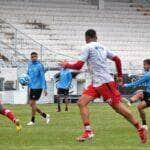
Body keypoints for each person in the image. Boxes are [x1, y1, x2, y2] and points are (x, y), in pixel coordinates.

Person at [59, 29, 148, 143]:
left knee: (118, 108)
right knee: (81, 102)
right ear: (96, 37)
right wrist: (119, 75)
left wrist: (66, 65)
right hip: (97, 83)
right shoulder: (103, 47)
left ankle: (139, 128)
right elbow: (117, 59)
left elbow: (79, 65)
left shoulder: (87, 47)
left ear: (86, 38)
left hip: (105, 83)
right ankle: (88, 131)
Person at [124, 59, 150, 130]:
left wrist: (125, 85)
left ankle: (128, 103)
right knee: (139, 92)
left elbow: (137, 83)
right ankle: (129, 102)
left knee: (139, 107)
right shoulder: (147, 73)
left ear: (149, 65)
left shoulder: (148, 75)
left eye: (145, 65)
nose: (144, 66)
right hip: (147, 93)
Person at [27, 52, 50, 126]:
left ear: (37, 57)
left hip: (38, 87)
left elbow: (43, 78)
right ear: (30, 58)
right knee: (31, 104)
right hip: (31, 87)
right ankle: (45, 116)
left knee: (33, 103)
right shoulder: (29, 65)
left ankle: (32, 121)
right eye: (32, 57)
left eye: (35, 57)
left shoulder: (40, 66)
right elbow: (27, 76)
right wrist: (26, 84)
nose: (33, 58)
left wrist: (45, 88)